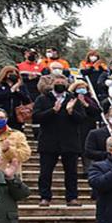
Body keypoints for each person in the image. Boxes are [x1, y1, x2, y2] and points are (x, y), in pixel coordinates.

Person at [31, 75, 88, 206]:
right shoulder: (43, 99)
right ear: (52, 84)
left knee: (71, 173)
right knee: (45, 172)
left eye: (63, 82)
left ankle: (72, 197)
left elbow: (82, 119)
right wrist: (53, 111)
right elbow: (35, 117)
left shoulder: (73, 99)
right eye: (57, 82)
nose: (60, 84)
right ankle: (45, 197)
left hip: (70, 141)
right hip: (48, 141)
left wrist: (70, 111)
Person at [0, 66, 31, 132]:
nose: (14, 74)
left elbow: (27, 100)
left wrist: (17, 90)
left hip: (17, 115)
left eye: (16, 72)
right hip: (1, 113)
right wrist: (11, 90)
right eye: (11, 72)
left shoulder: (21, 86)